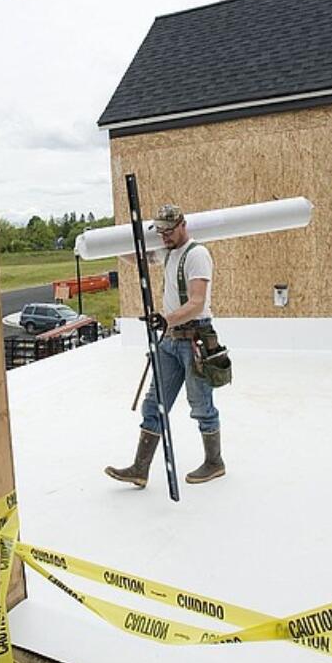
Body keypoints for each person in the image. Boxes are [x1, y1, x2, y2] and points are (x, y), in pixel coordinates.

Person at [105, 204, 225, 487]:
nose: (163, 236)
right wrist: (104, 243)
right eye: (159, 231)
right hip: (170, 339)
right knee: (154, 403)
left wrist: (165, 318)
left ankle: (214, 462)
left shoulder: (197, 254)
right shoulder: (166, 252)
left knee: (201, 404)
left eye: (168, 231)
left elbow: (196, 303)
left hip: (195, 338)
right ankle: (140, 468)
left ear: (183, 225)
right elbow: (136, 258)